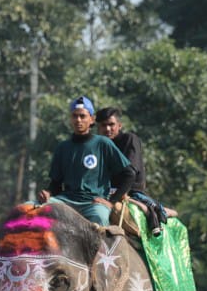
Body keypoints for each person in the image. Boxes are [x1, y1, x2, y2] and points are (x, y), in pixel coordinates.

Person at [36, 96, 135, 226]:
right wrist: (48, 192)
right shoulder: (62, 147)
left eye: (82, 116)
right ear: (70, 119)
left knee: (100, 217)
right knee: (30, 208)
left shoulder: (103, 143)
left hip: (93, 203)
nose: (78, 120)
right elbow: (56, 184)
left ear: (91, 119)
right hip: (66, 201)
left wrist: (111, 202)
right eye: (75, 116)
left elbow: (129, 174)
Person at [97, 105, 169, 236]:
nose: (107, 129)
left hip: (130, 192)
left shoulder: (129, 140)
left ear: (119, 125)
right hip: (103, 192)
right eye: (103, 125)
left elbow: (130, 174)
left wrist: (112, 201)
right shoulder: (98, 146)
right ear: (98, 128)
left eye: (111, 124)